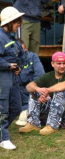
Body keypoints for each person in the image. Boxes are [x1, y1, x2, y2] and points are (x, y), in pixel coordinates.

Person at [19, 52, 65, 135]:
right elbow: (29, 87)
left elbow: (64, 85)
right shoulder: (48, 76)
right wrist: (38, 90)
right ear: (52, 64)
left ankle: (52, 125)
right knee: (34, 92)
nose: (62, 66)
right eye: (59, 63)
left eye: (64, 63)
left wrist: (46, 91)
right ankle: (33, 123)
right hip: (55, 107)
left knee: (60, 92)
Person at [0, 7, 25, 150]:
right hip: (3, 76)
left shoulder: (11, 37)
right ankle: (4, 138)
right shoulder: (0, 37)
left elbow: (19, 53)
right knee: (3, 108)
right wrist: (8, 66)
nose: (19, 23)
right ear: (9, 22)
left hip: (13, 76)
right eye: (17, 21)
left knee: (16, 106)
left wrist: (18, 66)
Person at [15, 38, 45, 127]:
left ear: (26, 49)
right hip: (16, 95)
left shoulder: (33, 57)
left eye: (22, 50)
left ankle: (27, 112)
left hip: (33, 92)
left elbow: (40, 77)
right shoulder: (10, 62)